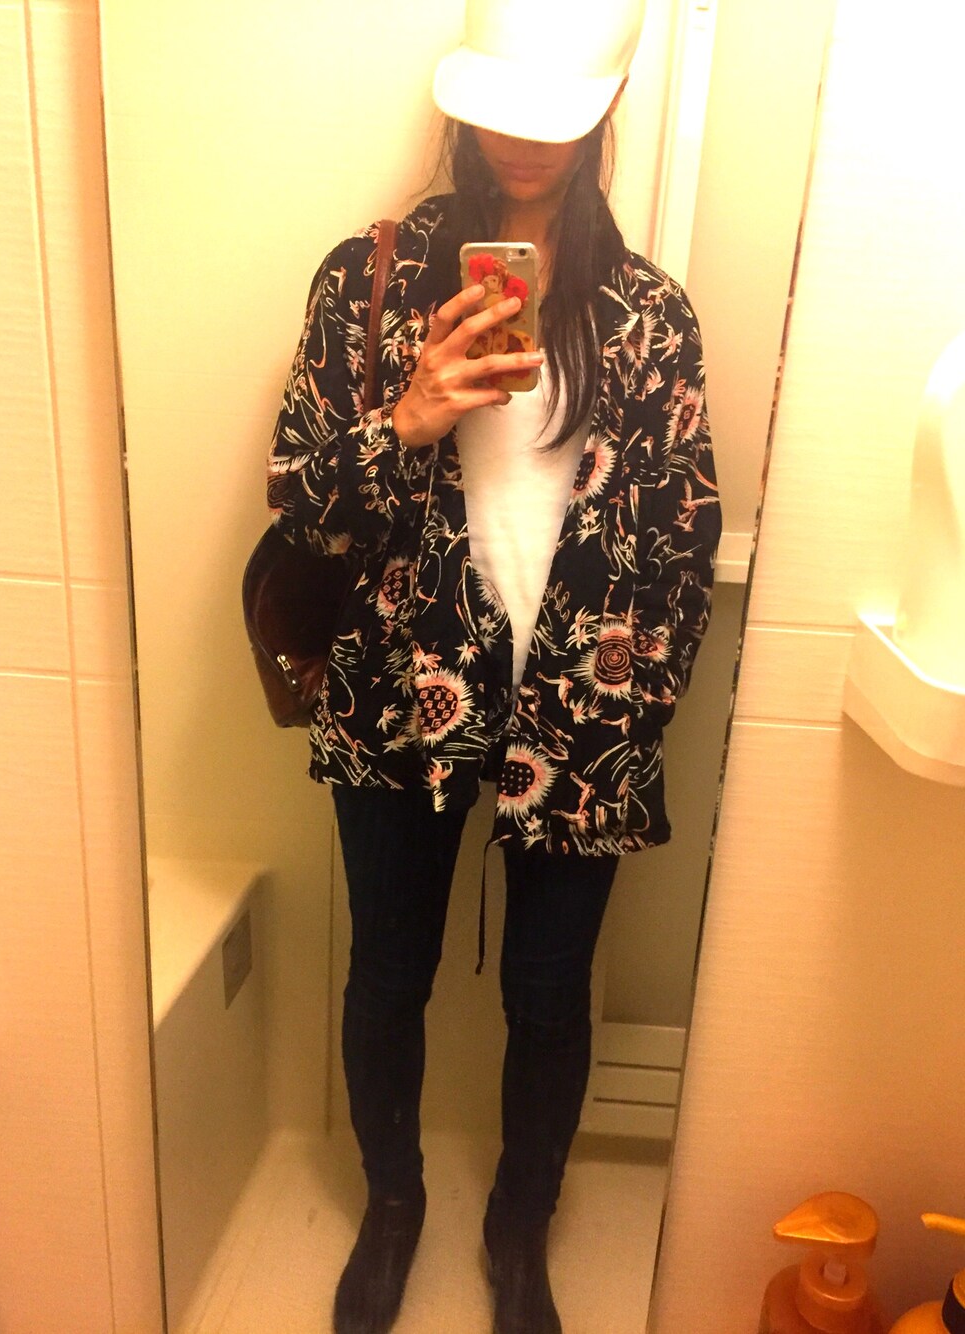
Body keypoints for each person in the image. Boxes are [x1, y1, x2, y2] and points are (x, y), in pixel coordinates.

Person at [266, 3, 721, 1330]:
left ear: (605, 110)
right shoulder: (365, 279)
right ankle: (392, 1202)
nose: (522, 140)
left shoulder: (650, 316)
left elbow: (687, 532)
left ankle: (520, 1227)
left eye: (553, 116)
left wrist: (639, 704)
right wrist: (408, 417)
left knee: (548, 995)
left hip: (581, 712)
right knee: (387, 974)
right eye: (499, 110)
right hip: (396, 695)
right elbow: (300, 504)